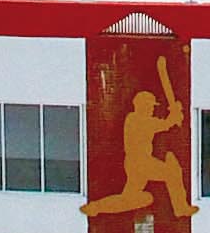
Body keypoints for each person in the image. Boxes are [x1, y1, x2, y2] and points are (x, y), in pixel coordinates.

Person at [84, 60, 195, 222]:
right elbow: (166, 124)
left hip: (135, 163)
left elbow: (166, 123)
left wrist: (175, 114)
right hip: (141, 163)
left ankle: (96, 207)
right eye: (150, 106)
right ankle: (180, 208)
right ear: (141, 106)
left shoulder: (134, 118)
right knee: (172, 173)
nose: (152, 109)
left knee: (128, 199)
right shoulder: (139, 120)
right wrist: (176, 113)